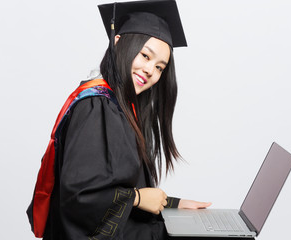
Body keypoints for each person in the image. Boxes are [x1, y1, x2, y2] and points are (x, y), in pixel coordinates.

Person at [27, 1, 211, 239]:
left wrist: (173, 204)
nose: (150, 70)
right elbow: (80, 196)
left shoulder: (121, 105)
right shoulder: (96, 106)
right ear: (118, 42)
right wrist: (137, 198)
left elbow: (120, 184)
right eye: (145, 55)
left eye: (159, 67)